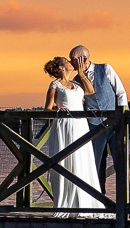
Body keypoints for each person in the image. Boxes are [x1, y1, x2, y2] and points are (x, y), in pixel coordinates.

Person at [42, 56, 104, 214]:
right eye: (67, 61)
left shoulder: (77, 84)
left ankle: (85, 200)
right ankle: (66, 203)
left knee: (82, 160)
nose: (71, 63)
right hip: (65, 126)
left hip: (80, 125)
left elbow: (90, 91)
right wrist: (57, 110)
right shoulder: (55, 85)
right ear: (62, 68)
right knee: (66, 161)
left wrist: (82, 74)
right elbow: (47, 109)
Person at [69, 45, 127, 197]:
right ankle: (98, 198)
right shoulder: (75, 80)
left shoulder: (105, 68)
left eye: (73, 60)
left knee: (120, 161)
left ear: (84, 59)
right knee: (96, 163)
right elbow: (81, 99)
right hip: (94, 126)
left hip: (114, 124)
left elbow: (120, 93)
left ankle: (124, 198)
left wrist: (121, 117)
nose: (70, 63)